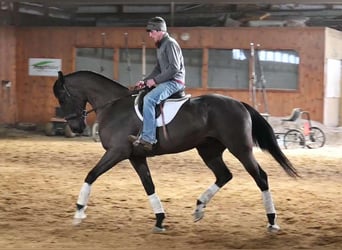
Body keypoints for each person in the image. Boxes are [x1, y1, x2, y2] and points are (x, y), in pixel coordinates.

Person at [128, 16, 186, 151]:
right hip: (167, 81)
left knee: (149, 99)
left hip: (174, 82)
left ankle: (148, 139)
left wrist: (154, 81)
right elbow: (158, 69)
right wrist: (145, 81)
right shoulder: (161, 46)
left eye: (152, 32)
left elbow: (174, 68)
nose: (150, 35)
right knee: (143, 95)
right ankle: (142, 132)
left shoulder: (170, 44)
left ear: (160, 30)